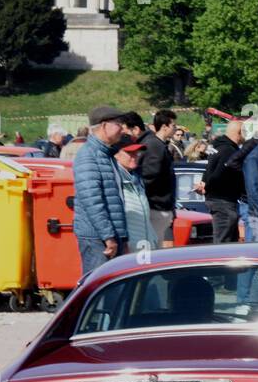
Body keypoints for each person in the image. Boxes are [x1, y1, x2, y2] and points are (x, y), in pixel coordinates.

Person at [72, 106, 130, 275]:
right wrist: (108, 237)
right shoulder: (88, 156)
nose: (123, 128)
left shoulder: (105, 155)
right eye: (119, 123)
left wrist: (121, 236)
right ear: (104, 125)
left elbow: (114, 199)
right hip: (98, 238)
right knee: (99, 289)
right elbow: (92, 201)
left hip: (109, 235)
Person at [201, 120, 245, 243]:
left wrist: (205, 183)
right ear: (239, 132)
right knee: (223, 243)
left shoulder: (217, 147)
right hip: (223, 201)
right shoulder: (229, 151)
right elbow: (217, 175)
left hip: (221, 200)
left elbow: (208, 169)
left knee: (229, 242)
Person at [141, 109, 179, 248]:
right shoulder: (155, 146)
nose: (175, 129)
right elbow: (150, 176)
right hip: (156, 207)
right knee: (153, 249)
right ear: (164, 126)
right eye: (173, 126)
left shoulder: (159, 146)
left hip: (161, 206)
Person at [113, 137, 155, 254]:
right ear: (116, 154)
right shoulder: (114, 181)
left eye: (136, 152)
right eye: (129, 152)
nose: (135, 156)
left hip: (144, 247)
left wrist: (152, 238)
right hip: (128, 250)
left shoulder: (137, 179)